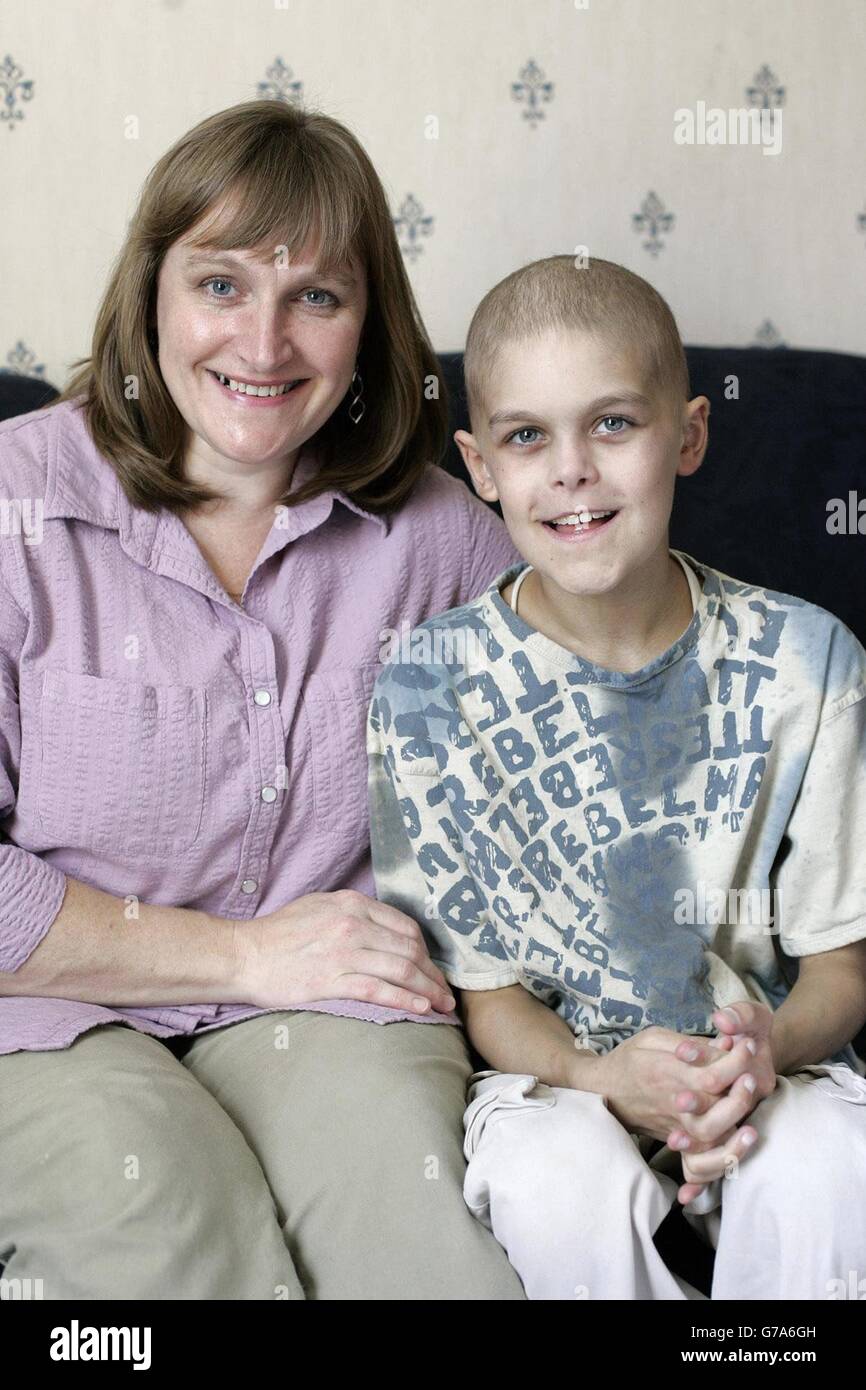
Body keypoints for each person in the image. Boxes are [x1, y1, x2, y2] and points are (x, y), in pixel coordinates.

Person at [0, 98, 528, 1300]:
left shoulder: (442, 539)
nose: (266, 341)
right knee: (158, 1205)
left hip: (328, 1014)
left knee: (412, 1223)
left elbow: (564, 789)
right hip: (38, 1015)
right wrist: (244, 953)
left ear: (367, 327)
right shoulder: (12, 505)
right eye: (222, 284)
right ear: (151, 296)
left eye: (317, 297)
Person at [367, 254, 866, 1300]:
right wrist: (602, 1079)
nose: (571, 472)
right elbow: (489, 999)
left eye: (611, 425)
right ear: (479, 465)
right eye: (525, 437)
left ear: (684, 435)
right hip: (557, 1083)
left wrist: (761, 1046)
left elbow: (839, 975)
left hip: (766, 1070)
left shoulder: (808, 661)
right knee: (554, 1178)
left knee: (829, 1154)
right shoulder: (427, 685)